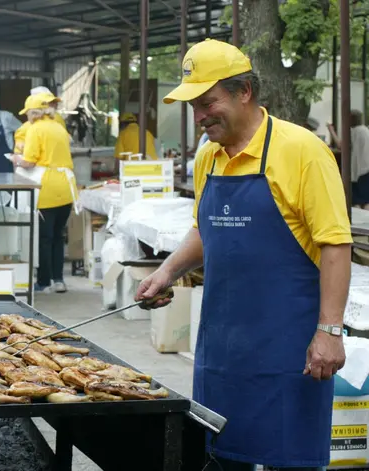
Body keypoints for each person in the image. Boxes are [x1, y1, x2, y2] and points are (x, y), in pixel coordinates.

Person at [137, 39, 351, 471]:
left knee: (288, 460)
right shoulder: (208, 157)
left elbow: (335, 243)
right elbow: (205, 228)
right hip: (221, 348)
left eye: (208, 103)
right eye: (193, 106)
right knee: (220, 456)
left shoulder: (302, 151)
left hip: (290, 350)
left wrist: (330, 330)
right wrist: (167, 271)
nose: (199, 117)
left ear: (245, 91)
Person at [12, 93, 79, 294]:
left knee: (44, 237)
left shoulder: (35, 130)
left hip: (47, 188)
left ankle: (43, 282)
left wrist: (16, 159)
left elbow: (30, 161)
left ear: (33, 113)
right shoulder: (59, 127)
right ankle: (58, 280)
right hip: (67, 187)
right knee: (59, 236)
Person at [328, 110, 369, 208]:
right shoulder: (366, 130)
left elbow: (340, 146)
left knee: (355, 201)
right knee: (366, 200)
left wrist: (331, 130)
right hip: (367, 169)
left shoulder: (352, 132)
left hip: (357, 170)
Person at [13, 86, 66, 154]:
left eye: (54, 102)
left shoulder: (57, 118)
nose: (56, 105)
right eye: (51, 102)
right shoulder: (25, 128)